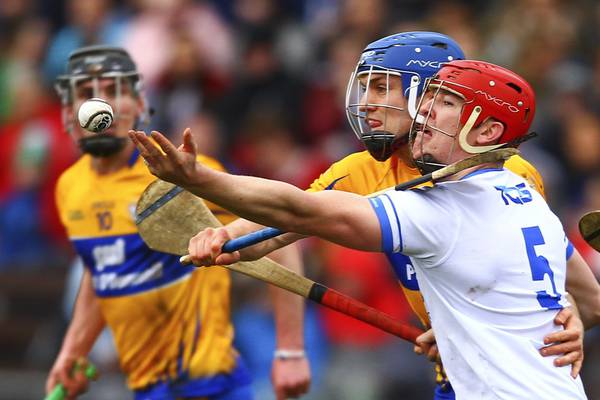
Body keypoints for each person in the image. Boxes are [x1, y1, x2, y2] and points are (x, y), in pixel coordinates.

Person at [135, 32, 593, 399]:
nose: (367, 102)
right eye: (365, 86)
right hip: (464, 371)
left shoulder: (481, 184)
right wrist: (226, 236)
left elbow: (294, 211)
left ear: (431, 96)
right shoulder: (367, 170)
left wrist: (565, 311)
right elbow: (286, 219)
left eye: (382, 87)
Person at [45, 45, 310, 400]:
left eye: (112, 91)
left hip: (211, 385)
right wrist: (73, 352)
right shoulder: (70, 188)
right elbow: (100, 272)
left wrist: (290, 350)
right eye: (85, 94)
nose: (100, 104)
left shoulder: (182, 176)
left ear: (140, 105)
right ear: (68, 111)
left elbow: (278, 237)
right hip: (146, 389)